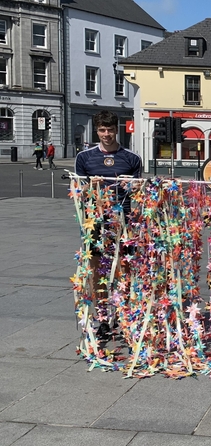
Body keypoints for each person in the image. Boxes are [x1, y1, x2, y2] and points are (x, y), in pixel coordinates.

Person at [75, 110, 142, 339]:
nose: (106, 134)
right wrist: (88, 187)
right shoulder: (84, 158)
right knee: (97, 269)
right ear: (97, 130)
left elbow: (138, 193)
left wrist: (132, 185)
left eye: (110, 129)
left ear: (117, 129)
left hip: (122, 221)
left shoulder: (132, 159)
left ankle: (123, 316)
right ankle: (102, 317)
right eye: (102, 130)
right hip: (95, 221)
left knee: (124, 269)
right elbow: (79, 193)